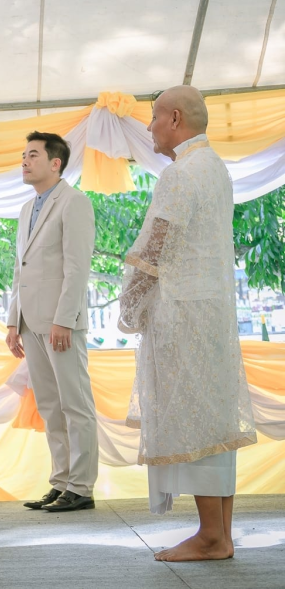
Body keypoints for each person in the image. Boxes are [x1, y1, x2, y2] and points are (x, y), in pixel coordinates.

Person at [119, 85, 257, 561]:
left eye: (153, 117)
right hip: (212, 312)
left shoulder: (180, 174)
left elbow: (155, 248)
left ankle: (210, 535)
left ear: (174, 118)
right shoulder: (215, 167)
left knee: (196, 421)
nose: (149, 127)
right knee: (213, 419)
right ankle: (220, 533)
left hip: (182, 315)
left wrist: (129, 305)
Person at [6, 131, 99, 512]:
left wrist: (64, 320)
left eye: (32, 155)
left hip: (62, 323)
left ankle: (82, 487)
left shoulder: (74, 203)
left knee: (76, 405)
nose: (24, 162)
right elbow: (20, 270)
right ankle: (61, 482)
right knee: (49, 406)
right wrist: (13, 322)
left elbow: (78, 269)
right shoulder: (27, 209)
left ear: (55, 163)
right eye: (23, 155)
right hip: (31, 321)